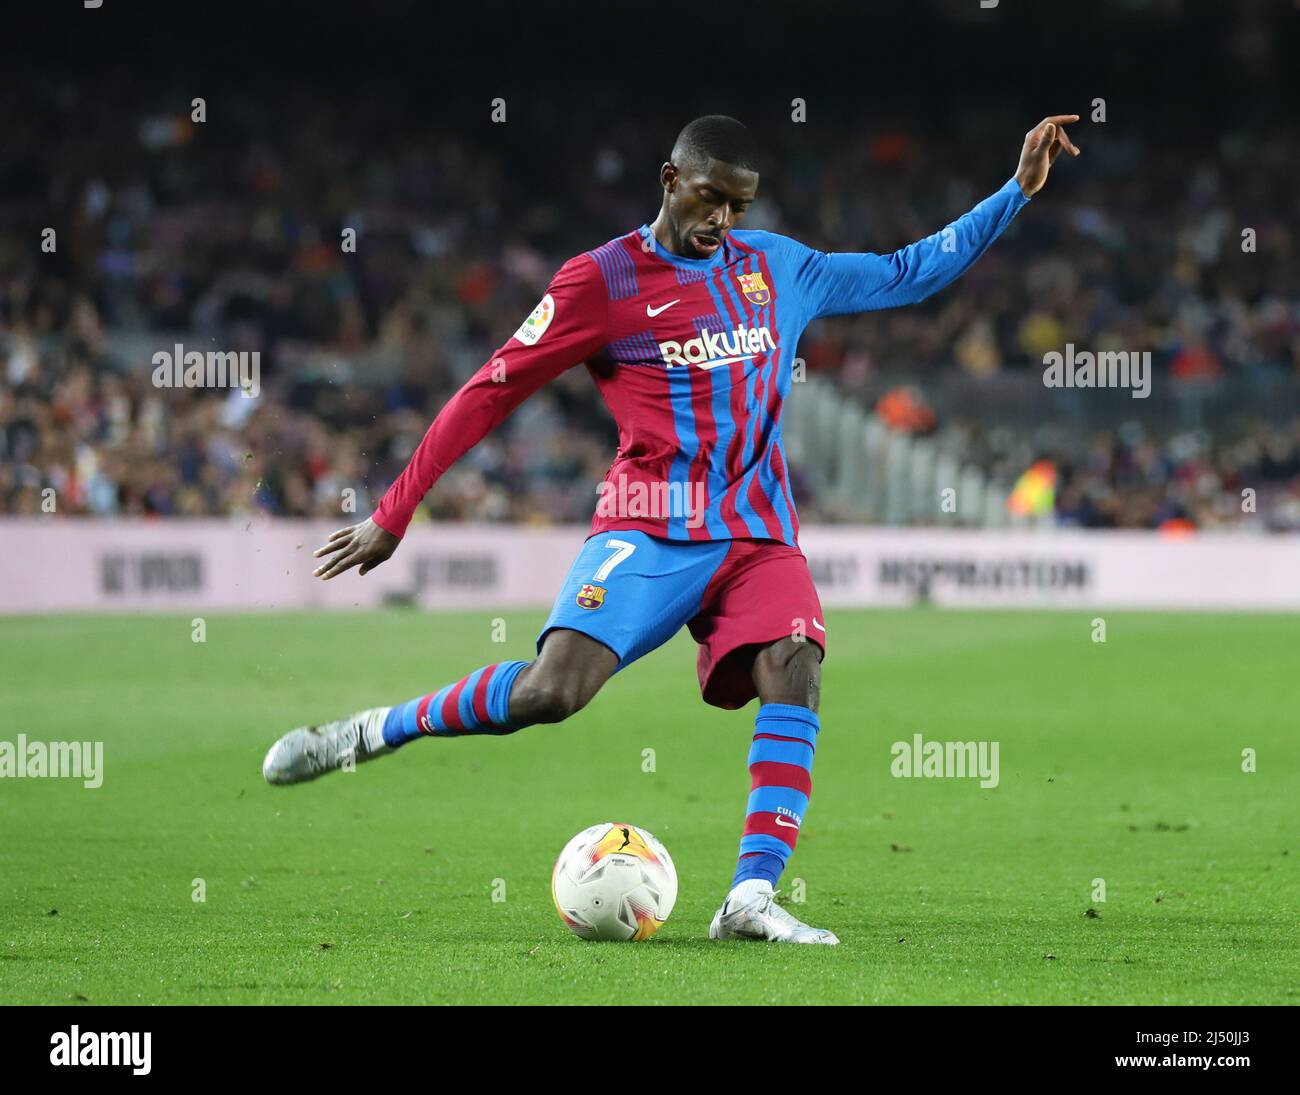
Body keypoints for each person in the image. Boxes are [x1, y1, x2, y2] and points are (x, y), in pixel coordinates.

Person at [263, 113, 1080, 943]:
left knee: (795, 663)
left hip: (756, 532)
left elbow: (910, 270)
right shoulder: (600, 281)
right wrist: (395, 512)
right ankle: (375, 729)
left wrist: (1015, 192)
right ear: (669, 179)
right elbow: (492, 388)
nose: (722, 219)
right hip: (649, 527)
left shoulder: (777, 268)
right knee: (553, 692)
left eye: (738, 204)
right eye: (709, 197)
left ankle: (751, 898)